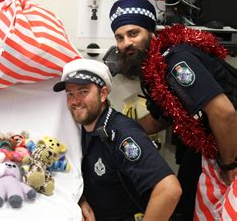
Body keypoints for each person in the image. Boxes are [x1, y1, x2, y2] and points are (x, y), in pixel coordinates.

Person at [109, 0, 237, 220]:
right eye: (119, 38)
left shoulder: (177, 62)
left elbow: (224, 113)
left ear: (151, 32)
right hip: (207, 140)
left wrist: (230, 164)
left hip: (230, 137)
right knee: (185, 202)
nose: (125, 43)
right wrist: (119, 127)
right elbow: (162, 118)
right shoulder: (151, 65)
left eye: (133, 34)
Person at [53, 58, 182, 221]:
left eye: (83, 92)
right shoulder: (81, 129)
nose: (75, 100)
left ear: (103, 94)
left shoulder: (123, 134)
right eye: (70, 93)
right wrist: (82, 199)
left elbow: (169, 190)